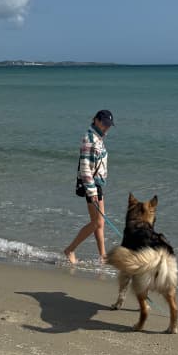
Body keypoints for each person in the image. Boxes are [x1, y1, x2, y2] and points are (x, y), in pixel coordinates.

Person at [64, 109, 114, 265]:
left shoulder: (98, 137)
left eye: (109, 125)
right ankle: (70, 249)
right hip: (91, 184)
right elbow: (85, 167)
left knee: (101, 222)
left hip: (97, 183)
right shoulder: (89, 138)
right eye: (105, 123)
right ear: (96, 120)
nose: (107, 127)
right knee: (96, 223)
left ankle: (103, 256)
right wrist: (91, 190)